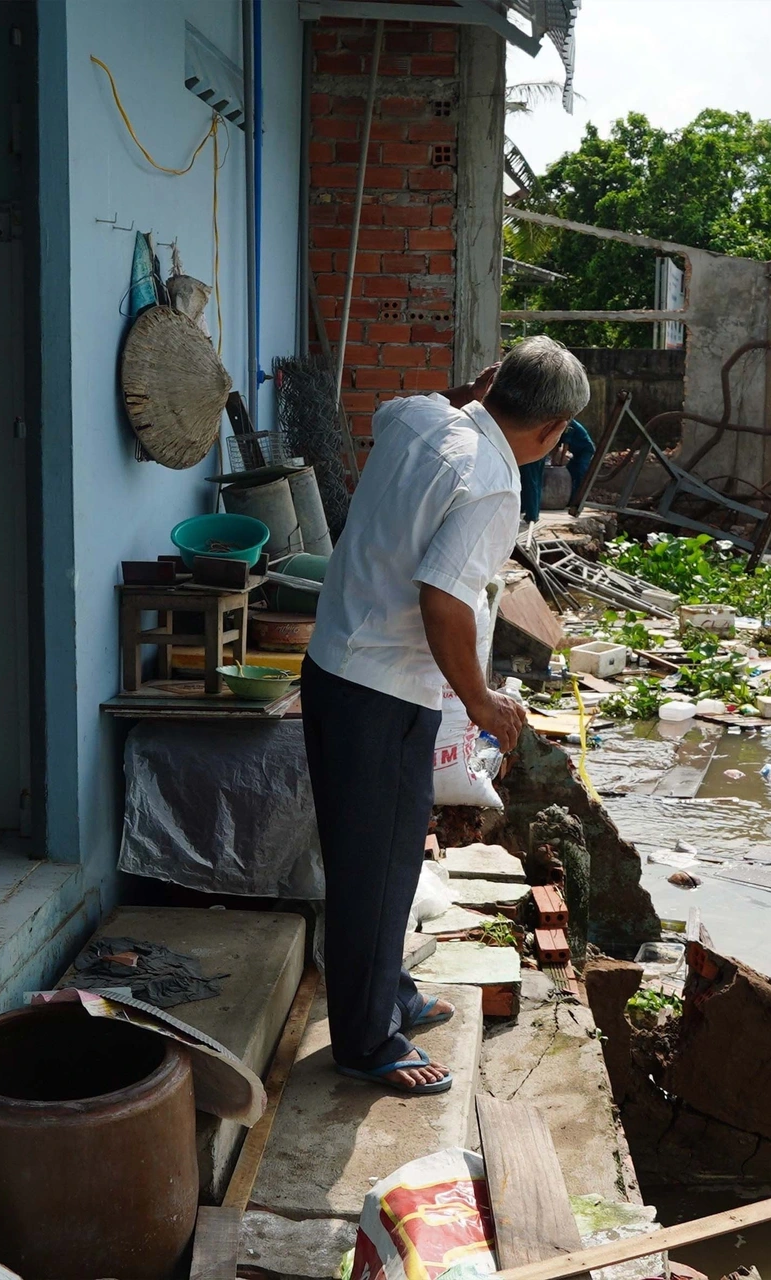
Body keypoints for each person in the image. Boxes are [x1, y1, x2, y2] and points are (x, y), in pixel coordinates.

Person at [302, 336, 590, 1094]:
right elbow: (444, 600)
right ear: (553, 430)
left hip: (337, 662)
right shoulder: (495, 485)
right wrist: (482, 702)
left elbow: (400, 406)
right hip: (382, 690)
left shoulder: (422, 417)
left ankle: (386, 997)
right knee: (373, 867)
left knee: (390, 858)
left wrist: (473, 392)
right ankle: (366, 1044)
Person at [517, 419, 596, 522]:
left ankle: (532, 514)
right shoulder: (550, 423)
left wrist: (561, 461)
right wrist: (553, 460)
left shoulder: (568, 425)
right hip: (540, 453)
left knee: (580, 474)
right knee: (535, 481)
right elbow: (555, 445)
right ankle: (530, 511)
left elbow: (565, 446)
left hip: (584, 450)